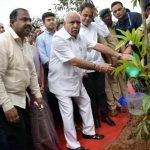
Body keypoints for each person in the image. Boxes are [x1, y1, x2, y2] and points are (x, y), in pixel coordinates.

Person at [48, 11, 130, 150]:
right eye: (72, 22)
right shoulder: (58, 38)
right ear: (64, 23)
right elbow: (73, 61)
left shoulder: (80, 36)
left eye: (78, 22)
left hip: (76, 79)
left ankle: (89, 132)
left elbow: (97, 45)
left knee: (86, 103)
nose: (76, 25)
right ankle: (73, 145)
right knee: (67, 113)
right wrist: (98, 66)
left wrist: (119, 55)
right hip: (61, 83)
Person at [0, 8, 44, 150]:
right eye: (24, 19)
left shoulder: (26, 43)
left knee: (27, 138)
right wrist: (7, 106)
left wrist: (37, 95)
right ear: (12, 22)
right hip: (9, 101)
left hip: (23, 98)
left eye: (29, 19)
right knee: (17, 142)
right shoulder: (3, 42)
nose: (29, 23)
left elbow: (31, 72)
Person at [79, 2, 115, 127]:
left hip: (99, 63)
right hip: (85, 66)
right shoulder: (76, 27)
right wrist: (81, 70)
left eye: (90, 15)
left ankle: (105, 116)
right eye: (85, 15)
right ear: (80, 14)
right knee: (91, 95)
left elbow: (105, 33)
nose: (87, 18)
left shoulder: (95, 25)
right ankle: (95, 118)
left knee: (101, 92)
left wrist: (97, 18)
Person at [100, 8, 128, 116]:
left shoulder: (117, 25)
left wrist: (123, 56)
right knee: (114, 84)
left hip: (121, 57)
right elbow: (104, 46)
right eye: (104, 17)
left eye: (108, 15)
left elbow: (122, 41)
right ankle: (117, 106)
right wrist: (110, 60)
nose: (107, 17)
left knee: (123, 83)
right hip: (111, 59)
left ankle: (124, 104)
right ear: (102, 19)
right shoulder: (101, 29)